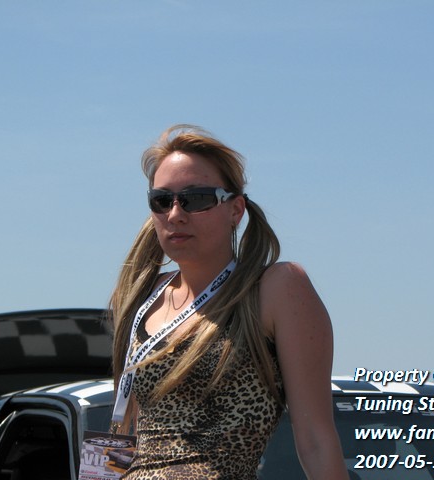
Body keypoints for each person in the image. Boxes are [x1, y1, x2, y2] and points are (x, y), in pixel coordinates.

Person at [109, 125, 348, 479]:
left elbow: (315, 440)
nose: (175, 214)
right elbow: (123, 434)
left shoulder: (276, 289)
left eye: (196, 199)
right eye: (162, 200)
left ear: (236, 210)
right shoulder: (141, 298)